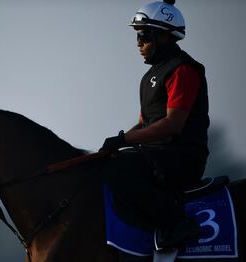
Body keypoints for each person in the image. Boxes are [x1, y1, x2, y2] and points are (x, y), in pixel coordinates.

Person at [100, 0, 209, 259]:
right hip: (155, 156)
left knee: (117, 170)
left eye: (144, 35)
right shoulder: (151, 76)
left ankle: (177, 223)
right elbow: (144, 123)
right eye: (137, 36)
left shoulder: (183, 70)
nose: (138, 43)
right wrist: (116, 143)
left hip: (181, 159)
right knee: (105, 164)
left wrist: (124, 139)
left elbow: (172, 126)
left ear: (164, 36)